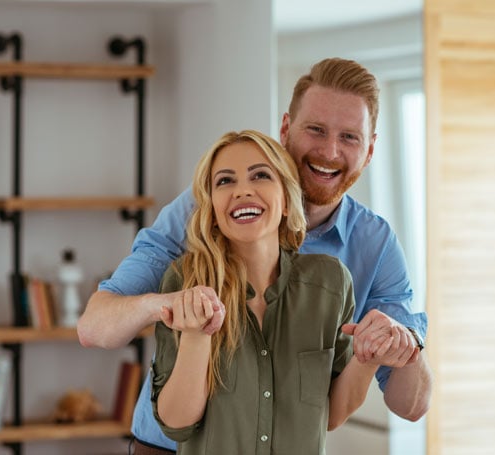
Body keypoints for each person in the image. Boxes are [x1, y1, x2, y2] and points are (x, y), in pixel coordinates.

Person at [78, 57, 432, 455]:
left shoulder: (369, 250)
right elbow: (95, 329)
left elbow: (411, 405)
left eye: (349, 137)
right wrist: (172, 306)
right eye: (315, 129)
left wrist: (399, 347)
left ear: (369, 150)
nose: (330, 151)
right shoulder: (199, 213)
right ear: (286, 129)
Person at [152, 129, 399, 453]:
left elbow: (330, 415)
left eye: (260, 176)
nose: (243, 191)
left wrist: (367, 360)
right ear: (212, 209)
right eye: (225, 181)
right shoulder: (184, 282)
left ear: (285, 200)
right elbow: (177, 424)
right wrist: (197, 336)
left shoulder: (331, 283)